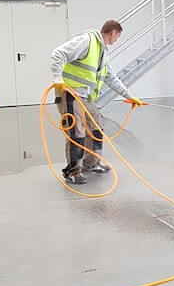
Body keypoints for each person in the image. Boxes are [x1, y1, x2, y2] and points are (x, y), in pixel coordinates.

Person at [49, 20, 144, 184]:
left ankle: (91, 164)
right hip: (70, 92)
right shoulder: (87, 41)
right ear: (113, 32)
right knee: (76, 131)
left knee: (96, 127)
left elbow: (111, 78)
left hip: (85, 96)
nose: (117, 40)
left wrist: (128, 96)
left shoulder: (102, 52)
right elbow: (58, 53)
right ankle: (73, 171)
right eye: (118, 36)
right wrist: (57, 77)